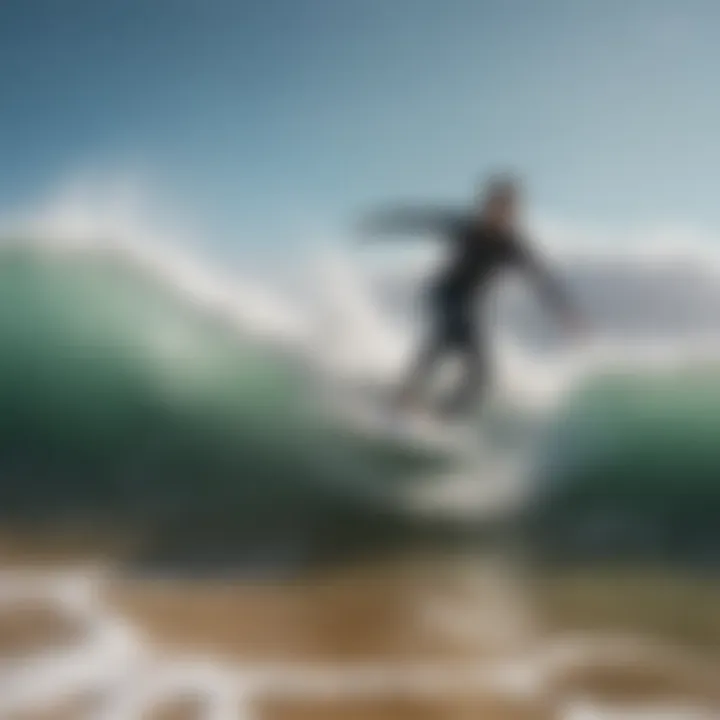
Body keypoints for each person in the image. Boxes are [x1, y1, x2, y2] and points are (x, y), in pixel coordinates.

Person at [359, 174, 583, 418]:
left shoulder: (511, 245)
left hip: (471, 305)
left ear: (512, 213)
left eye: (505, 210)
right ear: (486, 206)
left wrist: (565, 311)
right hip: (444, 293)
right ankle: (405, 395)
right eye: (493, 206)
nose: (497, 214)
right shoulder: (466, 227)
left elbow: (540, 278)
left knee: (482, 372)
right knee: (448, 334)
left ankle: (442, 414)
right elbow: (419, 220)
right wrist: (381, 224)